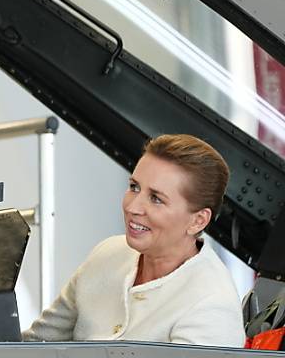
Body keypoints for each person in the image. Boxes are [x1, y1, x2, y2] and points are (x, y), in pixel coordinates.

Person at [23, 134, 245, 346]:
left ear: (198, 221)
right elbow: (32, 345)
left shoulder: (212, 307)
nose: (132, 207)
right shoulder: (107, 253)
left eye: (156, 199)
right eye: (134, 187)